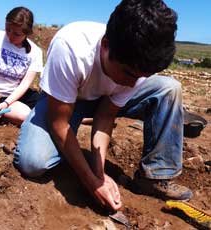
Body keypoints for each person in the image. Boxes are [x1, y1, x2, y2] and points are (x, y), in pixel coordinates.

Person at [14, 0, 193, 211]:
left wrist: (99, 172)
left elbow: (106, 116)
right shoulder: (71, 47)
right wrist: (91, 181)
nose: (133, 83)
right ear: (106, 45)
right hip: (68, 100)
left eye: (143, 76)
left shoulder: (137, 64)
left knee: (169, 88)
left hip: (104, 98)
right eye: (129, 74)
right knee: (32, 162)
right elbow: (59, 124)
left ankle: (155, 175)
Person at [0, 6, 43, 125]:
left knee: (47, 103)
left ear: (27, 33)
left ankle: (84, 118)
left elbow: (25, 84)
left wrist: (7, 103)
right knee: (26, 117)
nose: (10, 35)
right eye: (7, 29)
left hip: (12, 96)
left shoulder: (35, 52)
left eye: (16, 34)